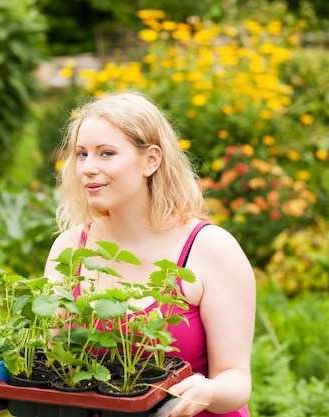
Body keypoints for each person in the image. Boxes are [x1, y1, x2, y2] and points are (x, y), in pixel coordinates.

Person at [43, 90, 256, 417]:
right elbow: (51, 361)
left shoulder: (210, 248)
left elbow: (236, 379)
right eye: (82, 154)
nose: (87, 167)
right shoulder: (71, 249)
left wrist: (208, 390)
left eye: (106, 153)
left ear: (151, 160)